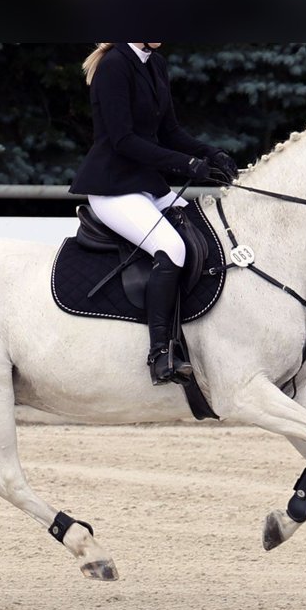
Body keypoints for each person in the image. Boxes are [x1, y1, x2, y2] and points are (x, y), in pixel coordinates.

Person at [70, 42, 238, 385]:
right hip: (113, 187)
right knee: (172, 249)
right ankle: (160, 352)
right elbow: (122, 140)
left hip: (147, 185)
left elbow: (169, 132)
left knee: (206, 236)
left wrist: (211, 153)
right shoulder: (115, 64)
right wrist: (184, 164)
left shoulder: (154, 63)